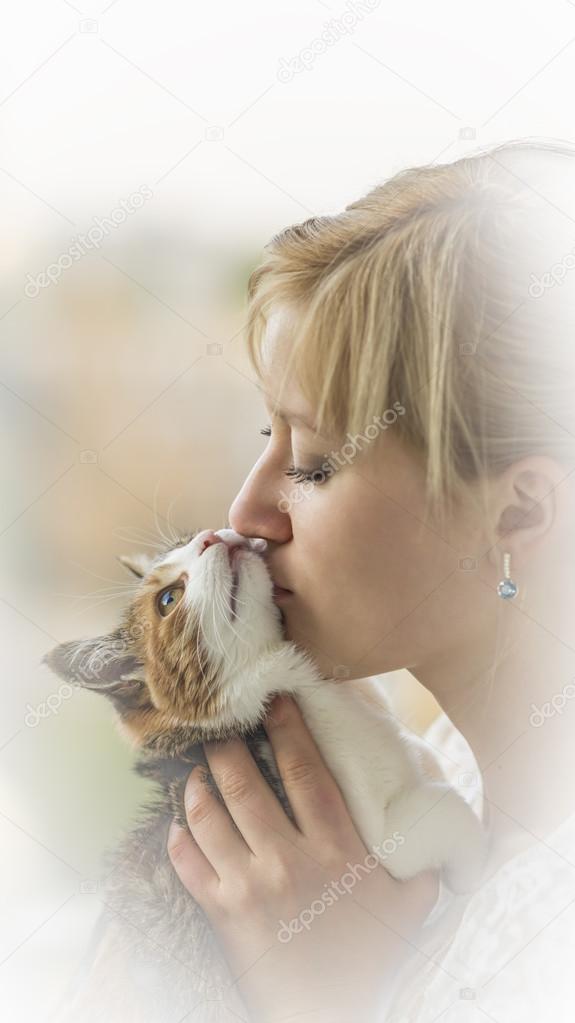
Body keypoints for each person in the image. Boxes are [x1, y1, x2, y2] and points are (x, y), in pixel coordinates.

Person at [166, 137, 575, 1022]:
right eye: (263, 438)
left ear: (519, 515)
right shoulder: (462, 774)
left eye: (314, 464)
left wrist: (329, 999)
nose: (244, 515)